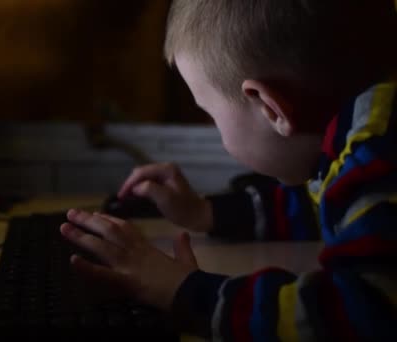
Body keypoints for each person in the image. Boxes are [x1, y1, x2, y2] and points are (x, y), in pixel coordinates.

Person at [60, 0, 397, 339]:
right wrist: (204, 213)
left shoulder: (378, 157)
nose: (215, 127)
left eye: (211, 115)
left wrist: (184, 292)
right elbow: (313, 204)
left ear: (271, 109)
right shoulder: (359, 142)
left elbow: (357, 315)